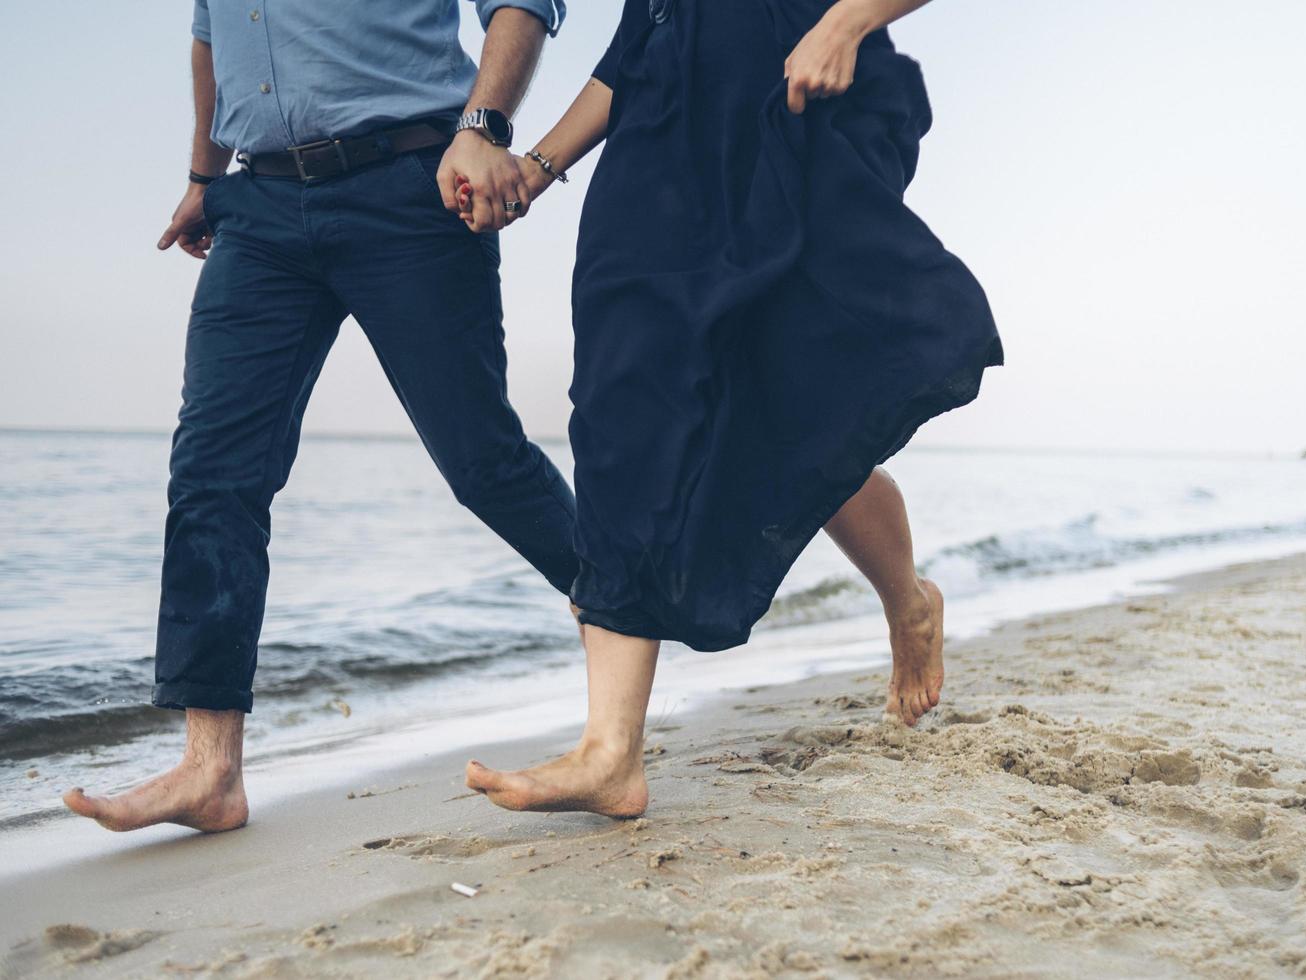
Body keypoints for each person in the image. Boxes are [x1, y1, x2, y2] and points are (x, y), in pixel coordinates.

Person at [460, 0, 1003, 818]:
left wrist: (846, 21)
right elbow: (639, 39)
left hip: (797, 109)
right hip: (659, 147)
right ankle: (611, 753)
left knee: (790, 399)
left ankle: (907, 599)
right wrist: (538, 167)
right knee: (618, 409)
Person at [64, 0, 576, 834]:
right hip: (258, 206)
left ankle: (632, 630)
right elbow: (210, 36)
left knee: (483, 461)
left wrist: (485, 126)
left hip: (410, 183)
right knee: (211, 474)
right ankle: (210, 771)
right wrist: (204, 175)